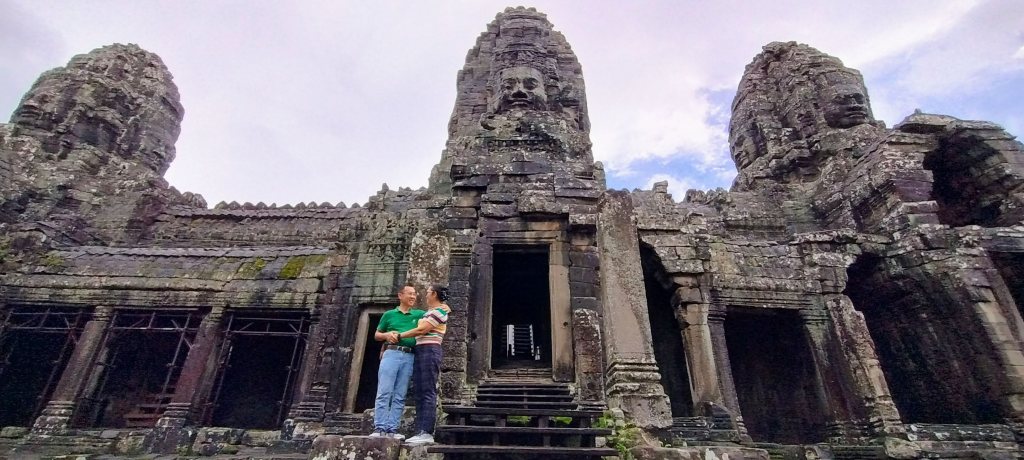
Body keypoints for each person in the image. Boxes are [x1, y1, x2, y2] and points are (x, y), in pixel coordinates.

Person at [398, 284, 451, 445]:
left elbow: (421, 330)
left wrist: (399, 335)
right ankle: (420, 430)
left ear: (434, 294)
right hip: (421, 349)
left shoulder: (439, 312)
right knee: (420, 390)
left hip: (430, 349)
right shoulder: (431, 312)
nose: (425, 295)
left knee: (428, 390)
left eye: (428, 292)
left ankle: (426, 431)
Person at [370, 284, 423, 439]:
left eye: (414, 294)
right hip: (391, 353)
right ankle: (379, 427)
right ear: (400, 295)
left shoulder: (419, 314)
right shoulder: (389, 314)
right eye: (410, 294)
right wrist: (387, 335)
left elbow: (434, 317)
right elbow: (377, 335)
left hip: (409, 356)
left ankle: (392, 429)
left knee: (400, 394)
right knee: (384, 391)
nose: (413, 297)